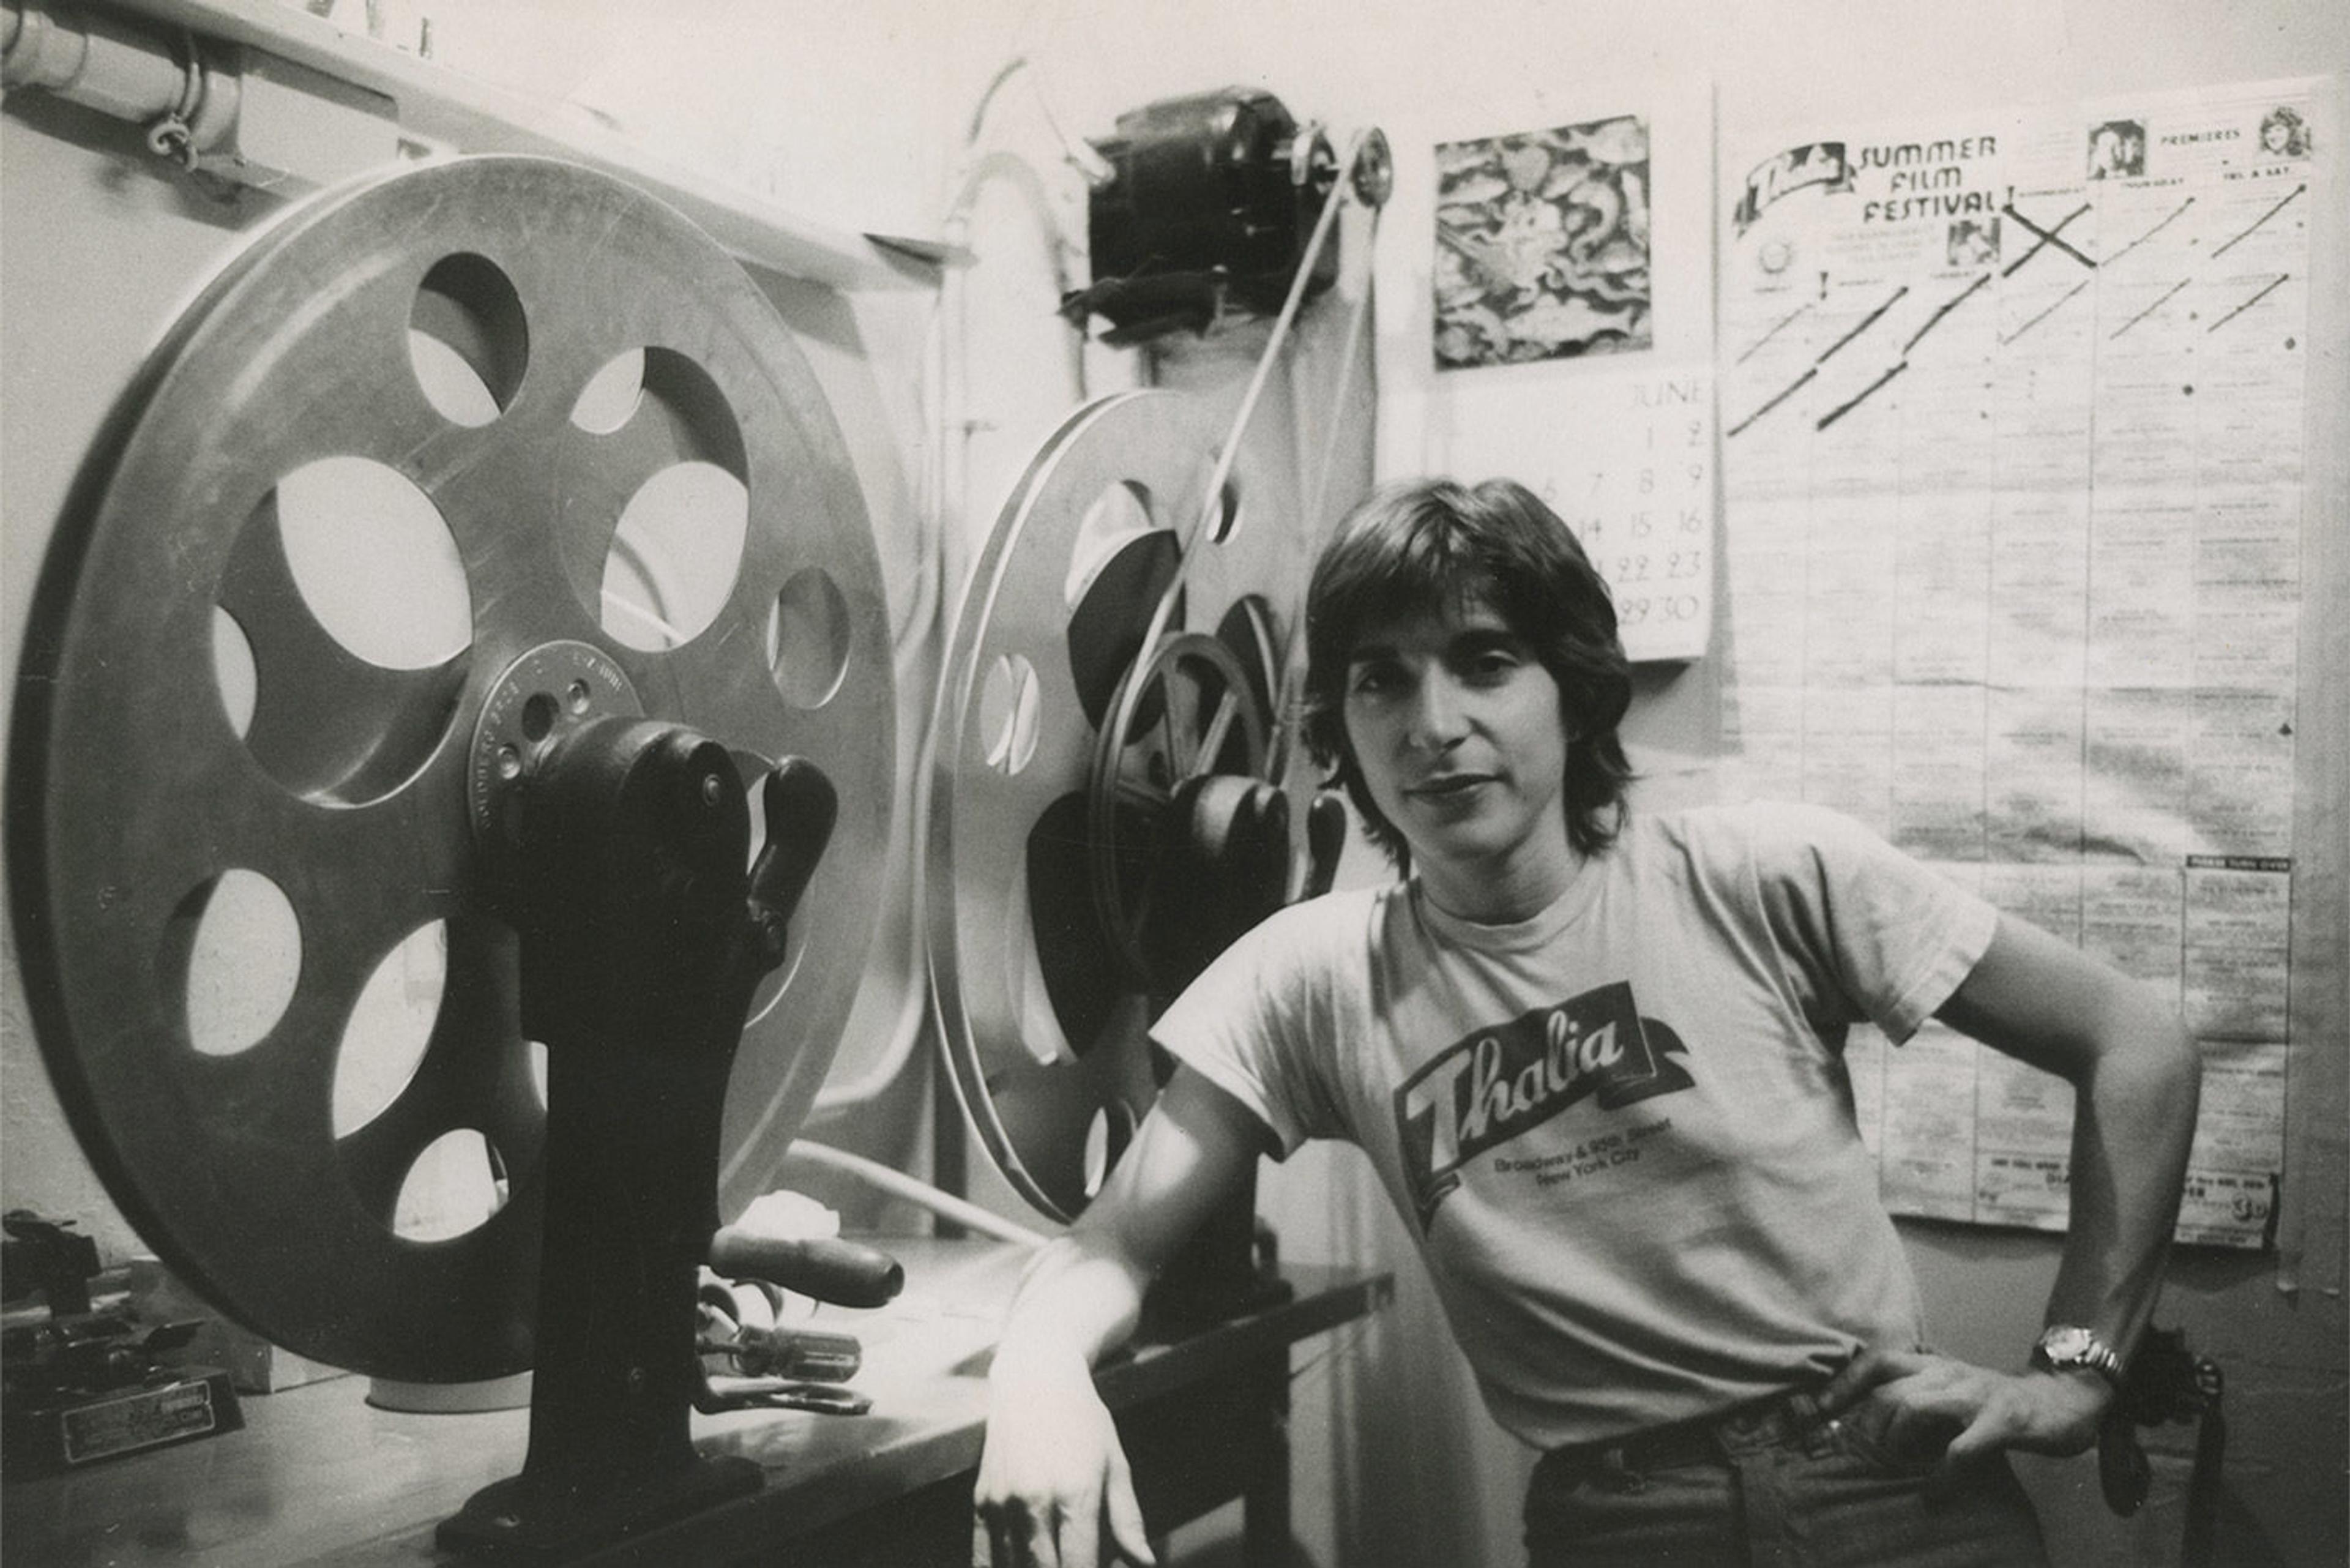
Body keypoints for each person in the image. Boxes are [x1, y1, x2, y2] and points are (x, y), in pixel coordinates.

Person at [972, 477, 2200, 1567]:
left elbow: (2136, 1043)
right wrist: (1036, 1383)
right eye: (1381, 681)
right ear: (1339, 731)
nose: (1432, 722)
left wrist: (2076, 1376)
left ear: (1574, 690)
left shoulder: (1768, 875)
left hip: (1894, 1483)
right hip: (1621, 1522)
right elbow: (1110, 1248)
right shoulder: (1312, 978)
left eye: (1486, 663)